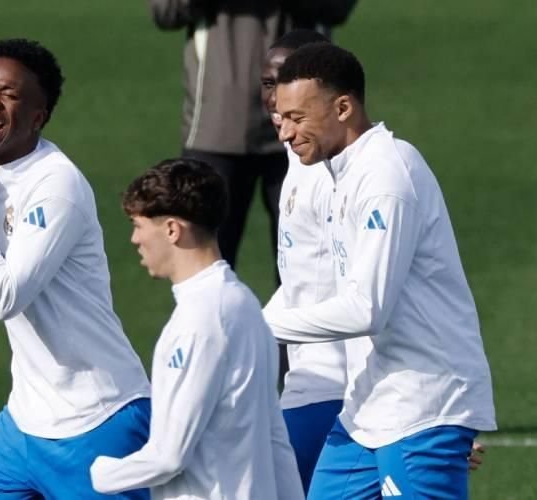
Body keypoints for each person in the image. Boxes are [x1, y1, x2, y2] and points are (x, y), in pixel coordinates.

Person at [266, 43, 497, 499]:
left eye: (297, 117)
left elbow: (365, 309)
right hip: (367, 408)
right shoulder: (340, 174)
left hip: (421, 404)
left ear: (343, 108)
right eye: (282, 117)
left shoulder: (385, 176)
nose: (285, 133)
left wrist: (253, 326)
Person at [0, 38, 152, 499]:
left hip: (96, 420)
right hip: (22, 424)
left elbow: (6, 296)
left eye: (9, 94)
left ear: (38, 117)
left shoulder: (56, 185)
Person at [89, 158, 303, 500]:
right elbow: (275, 439)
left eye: (138, 225)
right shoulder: (244, 304)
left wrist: (98, 474)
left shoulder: (198, 322)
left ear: (172, 230)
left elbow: (168, 457)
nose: (134, 239)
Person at [147, 0, 358, 276]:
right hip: (216, 126)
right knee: (204, 272)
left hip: (304, 124)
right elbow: (165, 10)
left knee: (312, 271)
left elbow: (337, 7)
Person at [259, 29, 348, 495]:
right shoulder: (299, 164)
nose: (275, 98)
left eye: (287, 84)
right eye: (268, 84)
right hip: (308, 384)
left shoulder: (333, 178)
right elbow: (302, 281)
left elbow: (372, 295)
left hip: (336, 390)